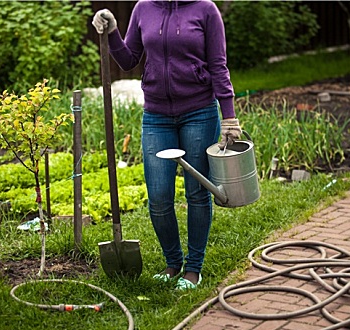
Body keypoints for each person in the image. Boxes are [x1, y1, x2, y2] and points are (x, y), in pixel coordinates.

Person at [92, 0, 241, 290]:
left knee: (197, 192)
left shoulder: (205, 9)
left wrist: (229, 116)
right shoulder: (143, 8)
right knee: (159, 197)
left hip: (199, 110)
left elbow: (218, 65)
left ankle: (193, 268)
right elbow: (128, 59)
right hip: (156, 115)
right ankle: (173, 263)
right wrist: (112, 32)